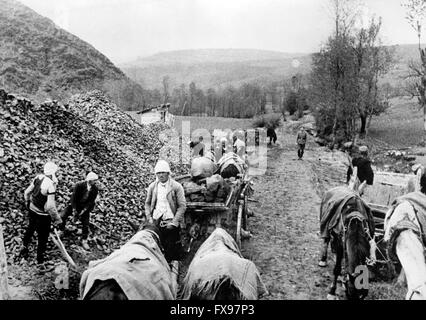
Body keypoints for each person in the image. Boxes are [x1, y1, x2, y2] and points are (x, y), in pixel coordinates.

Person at [21, 161, 62, 264]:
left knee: (31, 228)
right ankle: (40, 259)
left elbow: (27, 192)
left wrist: (27, 202)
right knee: (43, 236)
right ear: (53, 172)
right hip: (42, 215)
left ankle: (24, 246)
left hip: (32, 209)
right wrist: (57, 219)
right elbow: (50, 207)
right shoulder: (50, 186)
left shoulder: (38, 178)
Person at [145, 160, 186, 262]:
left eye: (163, 172)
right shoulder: (153, 187)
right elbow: (148, 203)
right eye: (158, 173)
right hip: (156, 221)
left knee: (171, 250)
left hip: (170, 222)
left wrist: (174, 222)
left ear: (168, 173)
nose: (161, 175)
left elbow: (182, 206)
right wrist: (149, 218)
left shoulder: (176, 187)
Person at [59, 172, 99, 250]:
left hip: (84, 207)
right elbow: (73, 198)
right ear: (90, 180)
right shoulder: (79, 185)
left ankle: (84, 240)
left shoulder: (95, 189)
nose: (95, 182)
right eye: (94, 180)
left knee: (86, 224)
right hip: (75, 205)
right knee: (63, 216)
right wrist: (74, 209)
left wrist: (84, 210)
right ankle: (61, 230)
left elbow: (91, 201)